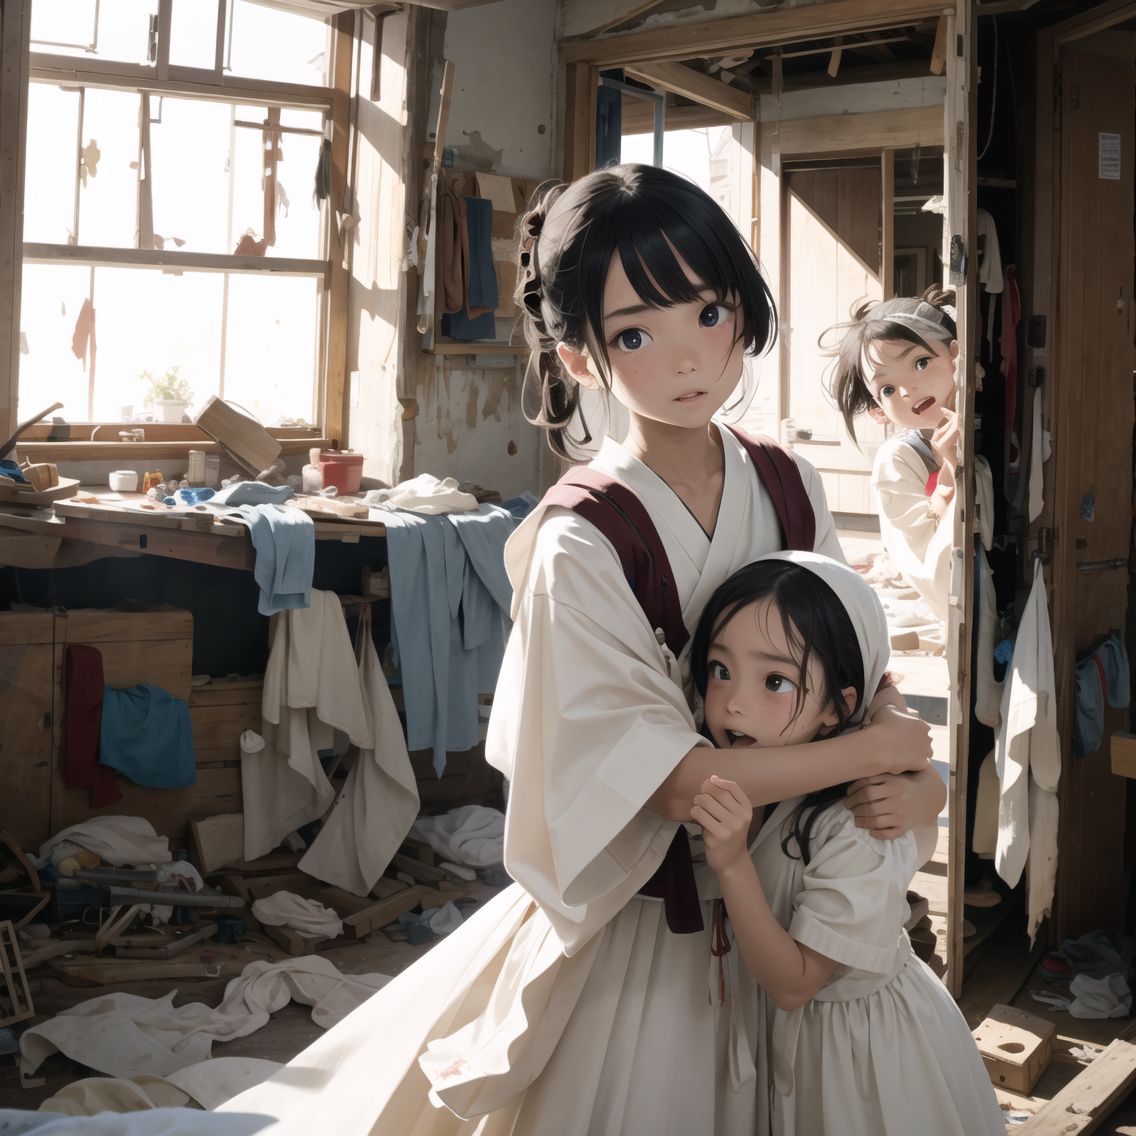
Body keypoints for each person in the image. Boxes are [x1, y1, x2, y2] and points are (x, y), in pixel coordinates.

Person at [218, 164, 944, 1135]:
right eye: (637, 332)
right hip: (651, 914)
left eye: (708, 313)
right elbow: (683, 783)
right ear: (578, 355)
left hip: (790, 885)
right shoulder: (581, 538)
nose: (686, 358)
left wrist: (913, 760)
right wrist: (877, 751)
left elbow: (854, 662)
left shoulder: (789, 482)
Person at [691, 551, 1004, 1136]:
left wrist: (731, 864)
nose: (733, 702)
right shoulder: (759, 778)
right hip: (801, 1046)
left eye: (775, 680)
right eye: (719, 668)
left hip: (862, 1058)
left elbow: (794, 983)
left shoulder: (856, 820)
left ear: (840, 707)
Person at [825, 288, 960, 626]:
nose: (906, 389)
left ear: (955, 355)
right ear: (877, 410)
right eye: (887, 389)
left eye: (920, 362)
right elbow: (932, 569)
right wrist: (951, 471)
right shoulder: (898, 459)